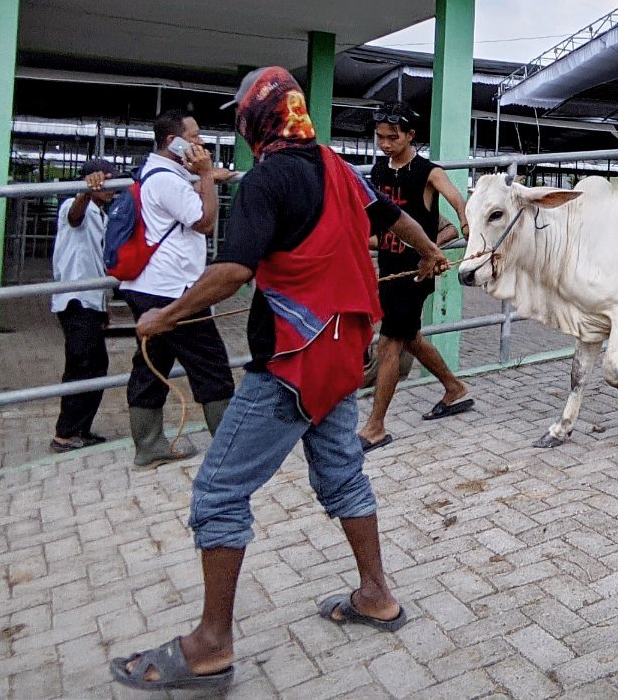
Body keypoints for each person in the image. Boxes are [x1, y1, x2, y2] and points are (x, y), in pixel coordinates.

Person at [108, 67, 447, 693]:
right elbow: (395, 221)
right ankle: (375, 595)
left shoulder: (266, 180)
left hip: (292, 364)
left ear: (255, 119)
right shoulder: (339, 168)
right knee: (342, 474)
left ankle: (211, 644)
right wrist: (429, 253)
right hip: (345, 355)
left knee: (217, 493)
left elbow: (233, 271)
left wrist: (165, 313)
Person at [120, 109, 236, 467]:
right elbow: (203, 222)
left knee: (152, 362)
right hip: (172, 289)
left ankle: (149, 444)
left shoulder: (160, 172)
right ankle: (231, 450)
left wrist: (203, 176)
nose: (201, 143)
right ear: (175, 141)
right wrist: (206, 175)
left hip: (149, 285)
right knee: (211, 365)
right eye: (196, 136)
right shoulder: (167, 179)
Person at [357, 102, 474, 453]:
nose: (385, 144)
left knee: (390, 341)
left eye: (393, 137)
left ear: (410, 136)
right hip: (390, 267)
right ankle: (454, 389)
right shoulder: (377, 172)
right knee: (410, 338)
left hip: (418, 272)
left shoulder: (428, 172)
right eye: (380, 137)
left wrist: (456, 234)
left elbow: (457, 201)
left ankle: (375, 426)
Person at [49, 160, 119, 453]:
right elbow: (74, 217)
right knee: (82, 363)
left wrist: (104, 305)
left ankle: (81, 428)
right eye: (107, 183)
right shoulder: (73, 205)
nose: (112, 189)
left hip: (91, 300)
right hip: (75, 300)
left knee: (95, 364)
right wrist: (85, 192)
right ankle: (65, 433)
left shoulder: (101, 215)